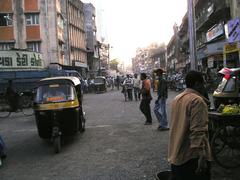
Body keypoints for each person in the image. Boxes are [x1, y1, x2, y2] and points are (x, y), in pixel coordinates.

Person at [168, 71, 211, 180]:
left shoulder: (177, 99)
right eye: (203, 84)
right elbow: (198, 131)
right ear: (197, 84)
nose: (204, 87)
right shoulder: (197, 101)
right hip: (191, 158)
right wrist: (202, 156)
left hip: (176, 153)